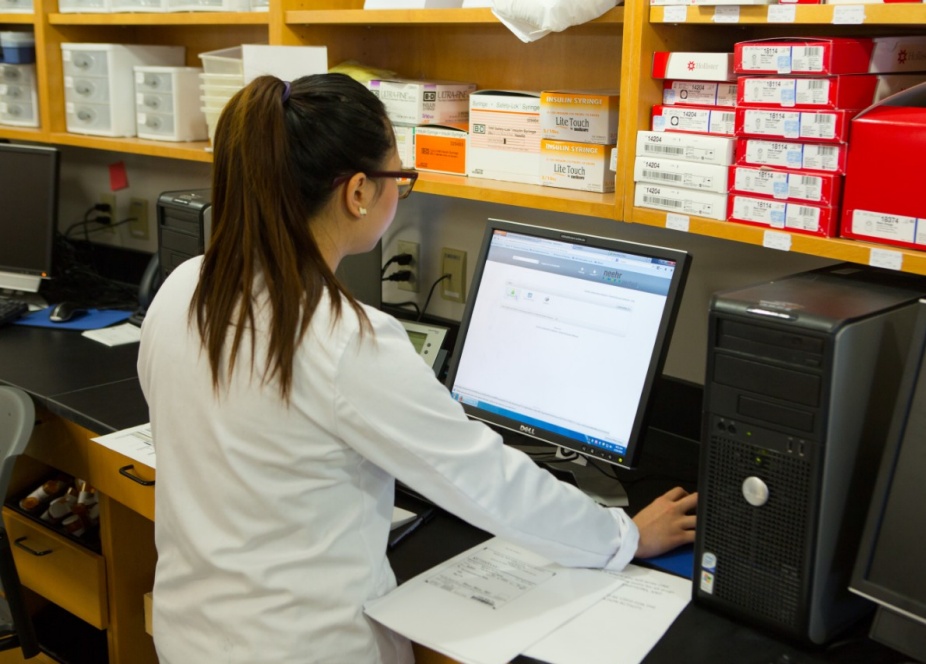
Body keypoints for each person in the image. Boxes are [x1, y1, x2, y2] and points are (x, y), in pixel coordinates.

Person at [137, 73, 697, 664]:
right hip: (304, 648)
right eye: (399, 178)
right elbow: (487, 482)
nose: (399, 190)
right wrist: (626, 536)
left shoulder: (183, 287)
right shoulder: (343, 338)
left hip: (189, 638)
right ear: (358, 191)